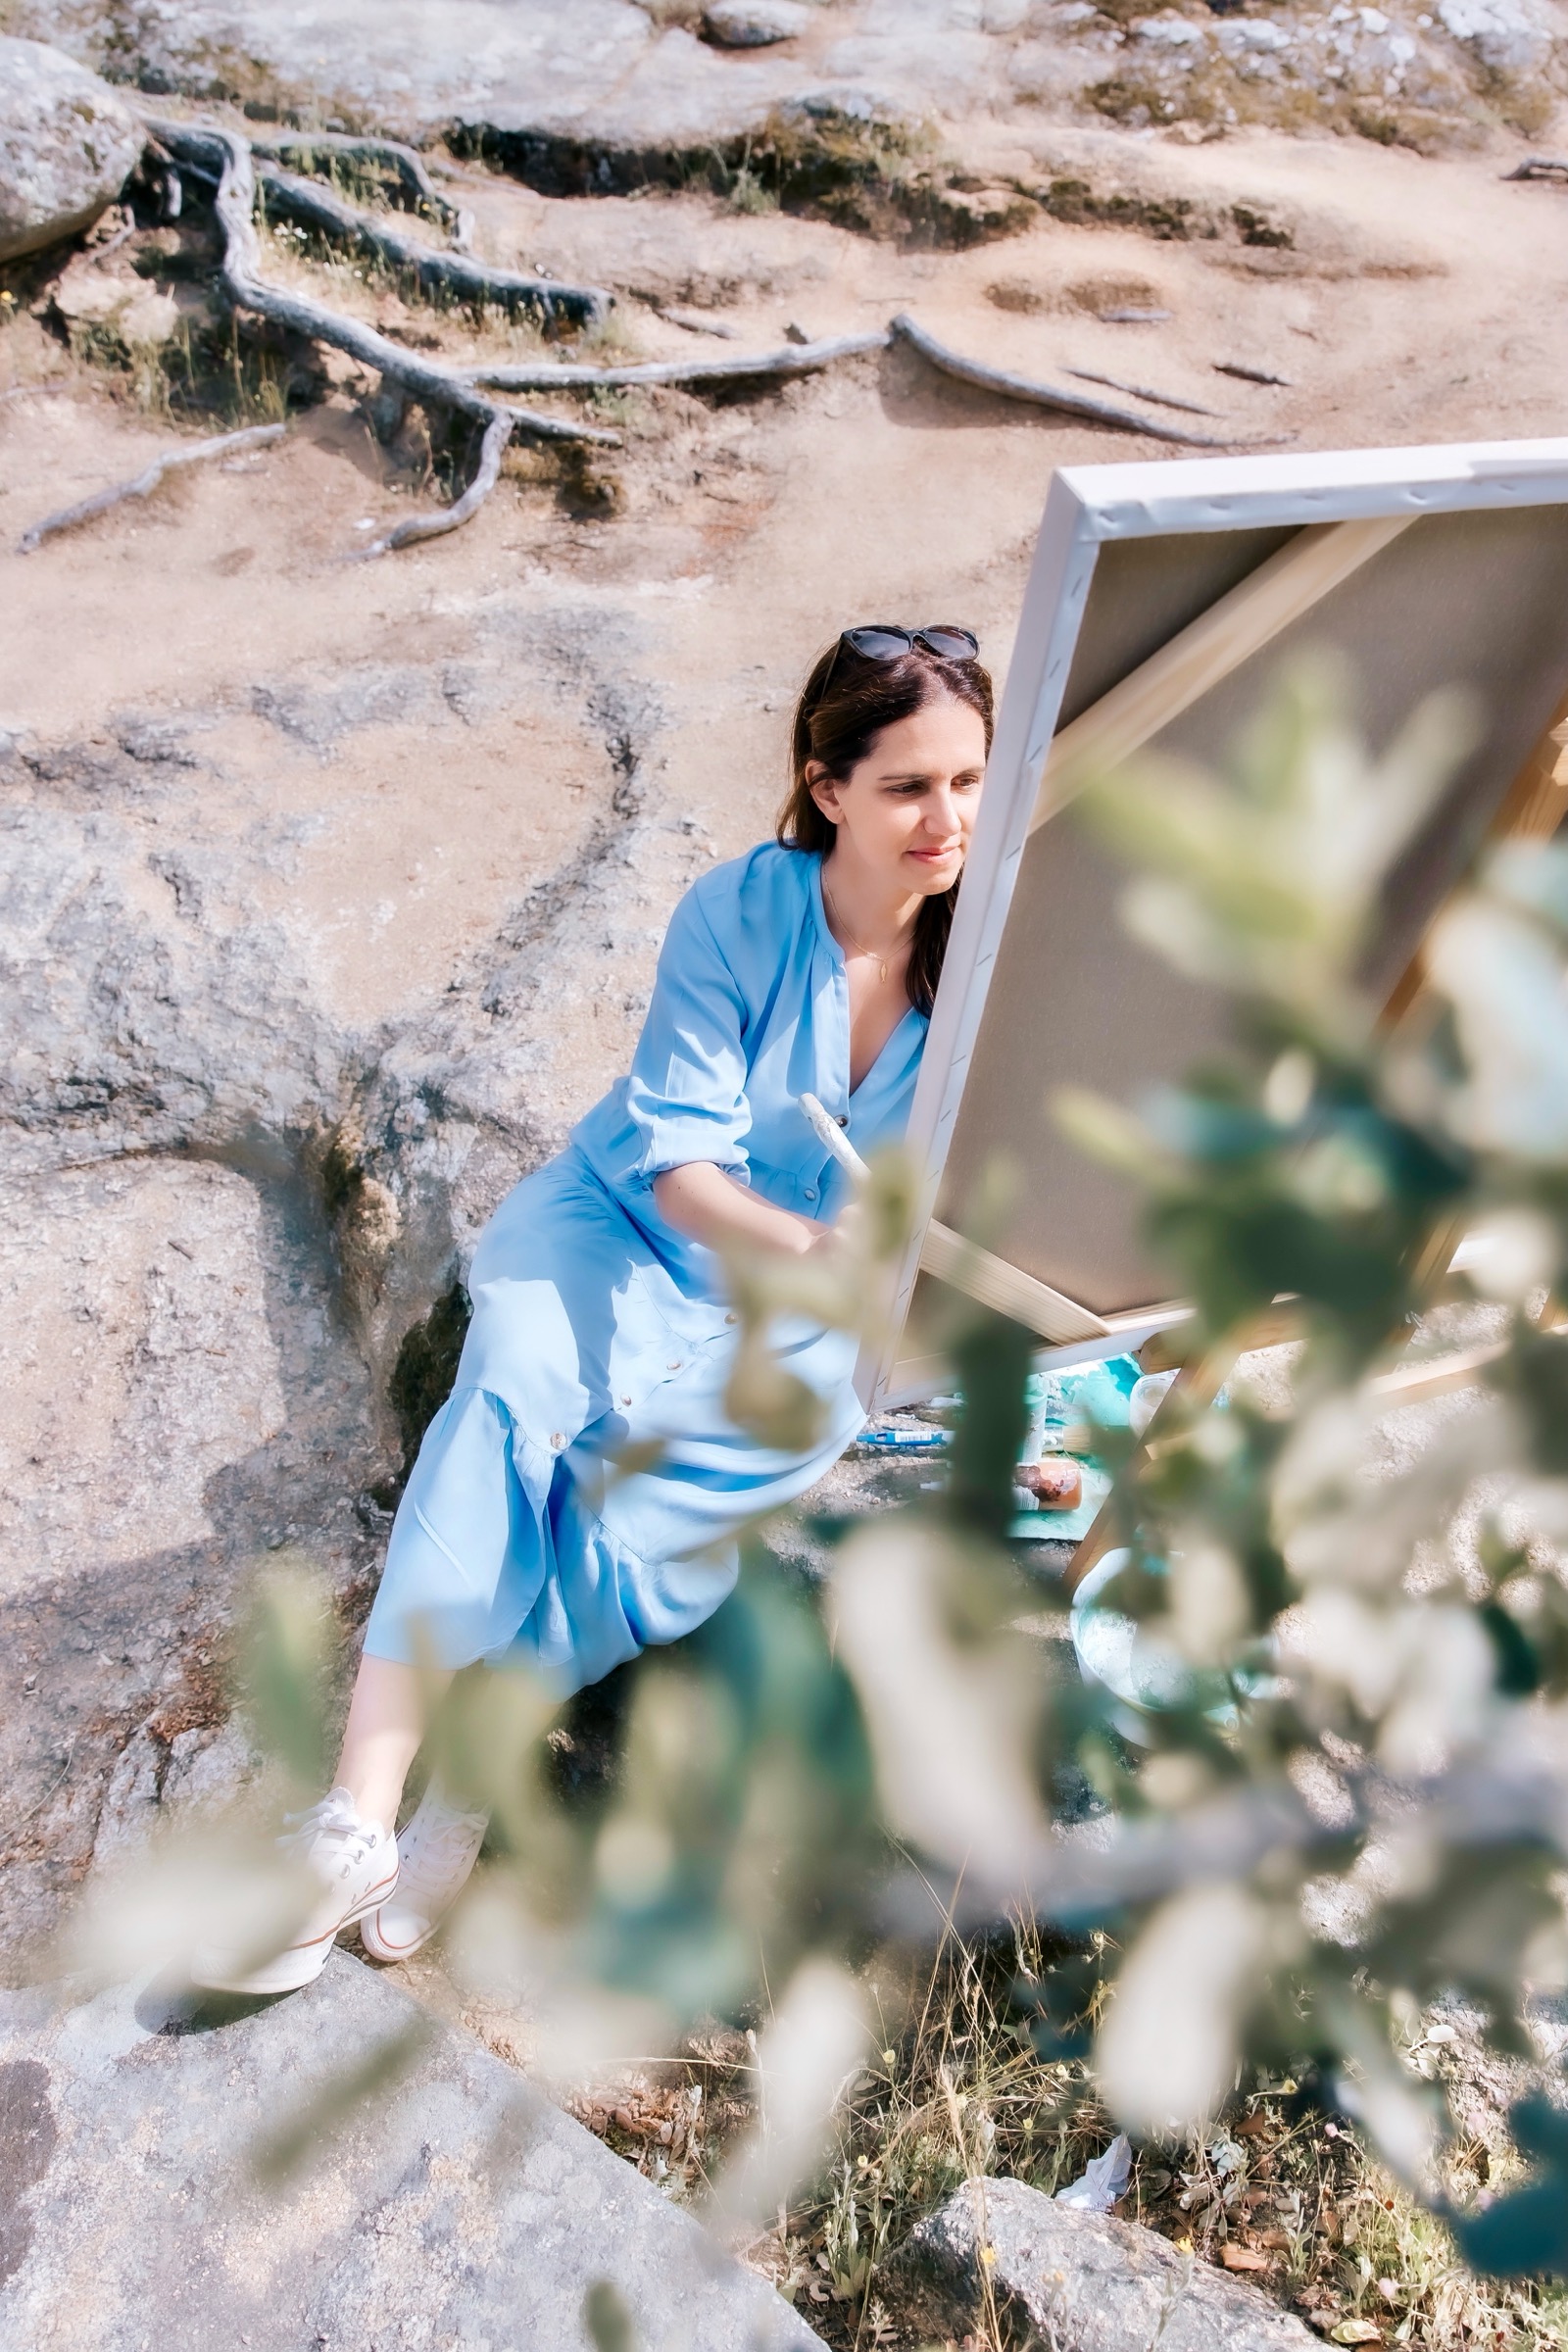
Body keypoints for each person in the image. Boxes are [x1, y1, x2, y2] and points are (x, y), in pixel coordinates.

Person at [193, 623, 992, 1995]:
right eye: (912, 786)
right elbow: (683, 1173)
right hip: (628, 1226)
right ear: (827, 788)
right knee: (506, 1393)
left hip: (812, 1314)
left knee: (642, 1522)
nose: (948, 820)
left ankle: (476, 1778)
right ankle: (356, 1819)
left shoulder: (989, 959)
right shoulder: (734, 915)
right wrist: (821, 1240)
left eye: (972, 782)